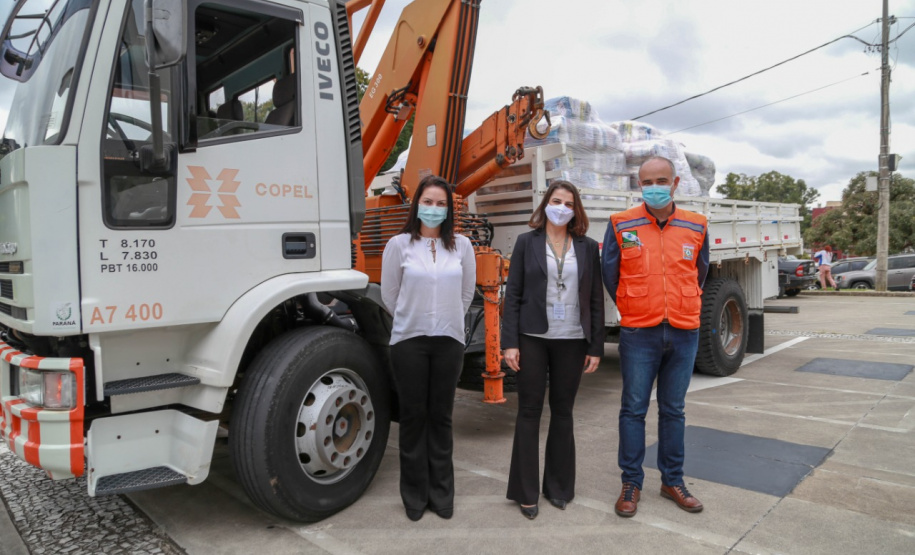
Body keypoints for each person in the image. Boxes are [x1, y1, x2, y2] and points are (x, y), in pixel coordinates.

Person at [602, 156, 709, 517]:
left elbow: (701, 271)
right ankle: (630, 482)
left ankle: (672, 480)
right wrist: (636, 306)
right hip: (639, 331)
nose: (655, 187)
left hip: (683, 330)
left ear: (675, 183)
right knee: (632, 410)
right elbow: (610, 274)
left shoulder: (697, 225)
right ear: (639, 185)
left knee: (673, 410)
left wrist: (678, 302)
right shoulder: (621, 223)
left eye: (661, 180)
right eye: (647, 182)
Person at [502, 180, 605, 520]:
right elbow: (512, 295)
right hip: (532, 337)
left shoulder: (588, 247)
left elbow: (594, 299)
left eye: (568, 203)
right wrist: (510, 342)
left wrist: (595, 346)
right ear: (546, 203)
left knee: (563, 412)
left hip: (573, 339)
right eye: (556, 200)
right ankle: (525, 491)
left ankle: (558, 487)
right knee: (529, 411)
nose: (561, 207)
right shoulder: (525, 242)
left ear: (576, 211)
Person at [381, 174, 476, 522]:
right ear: (416, 204)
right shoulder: (399, 244)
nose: (434, 209)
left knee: (441, 418)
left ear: (449, 209)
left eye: (441, 204)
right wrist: (416, 317)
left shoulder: (461, 246)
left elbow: (467, 293)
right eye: (428, 202)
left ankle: (442, 493)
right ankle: (414, 495)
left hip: (449, 341)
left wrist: (445, 319)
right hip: (409, 341)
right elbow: (390, 294)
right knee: (413, 418)